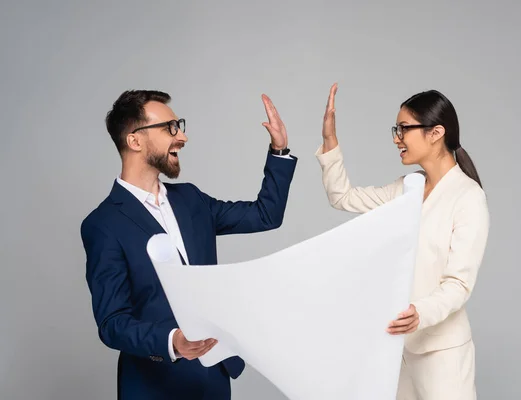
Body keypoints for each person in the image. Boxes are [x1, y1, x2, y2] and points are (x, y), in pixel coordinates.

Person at [80, 90, 297, 399]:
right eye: (170, 127)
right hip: (153, 386)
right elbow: (112, 323)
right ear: (135, 140)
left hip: (213, 379)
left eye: (179, 125)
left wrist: (279, 149)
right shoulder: (103, 224)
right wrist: (173, 342)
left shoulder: (191, 200)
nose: (182, 136)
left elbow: (265, 215)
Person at [314, 83, 489, 400]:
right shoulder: (406, 188)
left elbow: (459, 284)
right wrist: (329, 142)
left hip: (442, 352)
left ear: (436, 132)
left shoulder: (468, 197)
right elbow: (342, 197)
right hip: (396, 348)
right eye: (396, 129)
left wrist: (419, 313)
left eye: (404, 129)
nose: (397, 138)